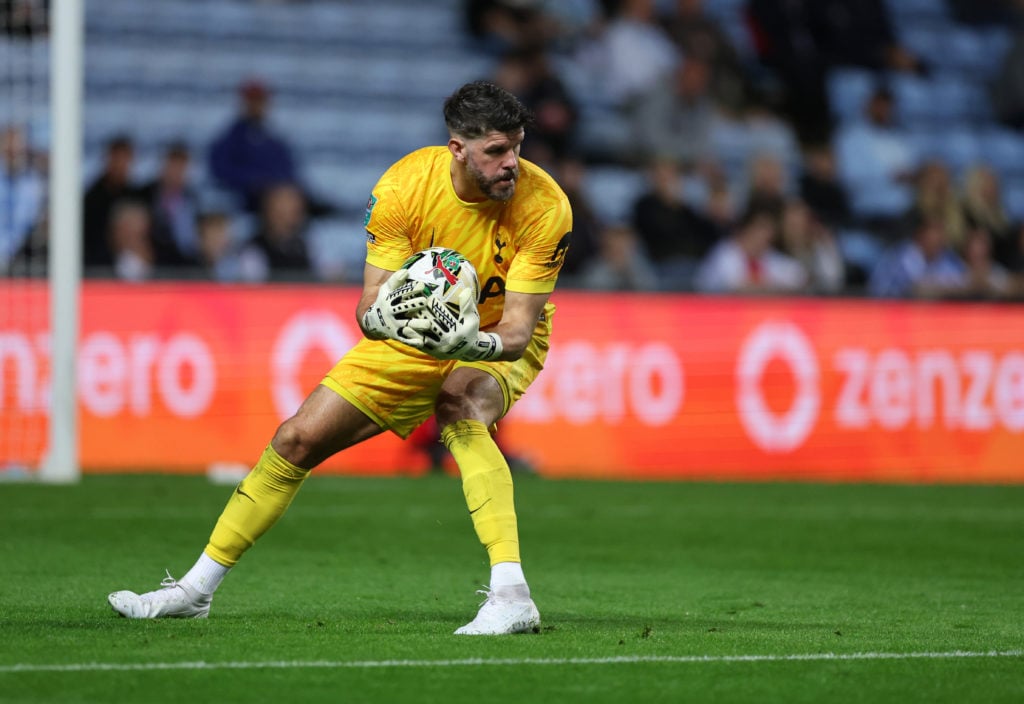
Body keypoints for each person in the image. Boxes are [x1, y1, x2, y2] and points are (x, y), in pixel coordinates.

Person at [107, 81, 573, 636]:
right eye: (496, 151)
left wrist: (467, 344)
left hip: (493, 337)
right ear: (457, 148)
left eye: (516, 147)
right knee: (295, 439)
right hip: (421, 336)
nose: (511, 163)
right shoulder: (404, 186)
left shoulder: (546, 206)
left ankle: (511, 594)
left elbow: (518, 331)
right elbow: (371, 304)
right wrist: (391, 319)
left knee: (461, 401)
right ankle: (193, 590)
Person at [82, 134, 143, 270]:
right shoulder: (92, 199)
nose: (121, 165)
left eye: (125, 160)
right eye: (118, 159)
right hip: (99, 269)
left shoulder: (136, 195)